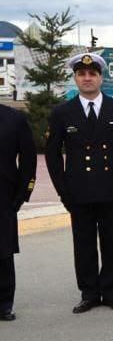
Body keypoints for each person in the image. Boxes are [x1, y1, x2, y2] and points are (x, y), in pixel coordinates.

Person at [45, 52, 113, 314]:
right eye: (82, 74)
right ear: (75, 77)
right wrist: (63, 191)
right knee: (83, 245)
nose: (87, 78)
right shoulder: (62, 112)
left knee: (112, 243)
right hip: (79, 191)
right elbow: (52, 154)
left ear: (101, 77)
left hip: (112, 190)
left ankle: (111, 292)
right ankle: (88, 293)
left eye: (92, 74)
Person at [0, 102, 36, 322]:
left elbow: (28, 158)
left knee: (3, 252)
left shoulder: (14, 118)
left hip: (3, 197)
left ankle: (4, 303)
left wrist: (22, 193)